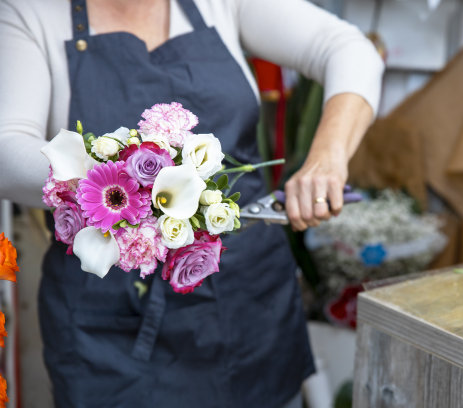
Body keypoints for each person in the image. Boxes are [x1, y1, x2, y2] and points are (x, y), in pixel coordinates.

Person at [0, 0, 384, 406]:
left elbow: (346, 47)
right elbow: (7, 148)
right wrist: (114, 183)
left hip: (248, 303)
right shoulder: (28, 13)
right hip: (110, 328)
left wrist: (328, 156)